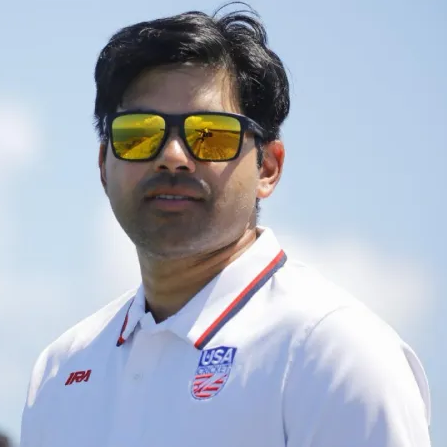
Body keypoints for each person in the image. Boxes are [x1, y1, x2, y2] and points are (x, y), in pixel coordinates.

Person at [20, 3, 431, 447]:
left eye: (210, 134)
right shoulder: (60, 372)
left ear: (268, 167)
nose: (172, 156)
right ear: (104, 164)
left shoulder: (333, 355)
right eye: (138, 133)